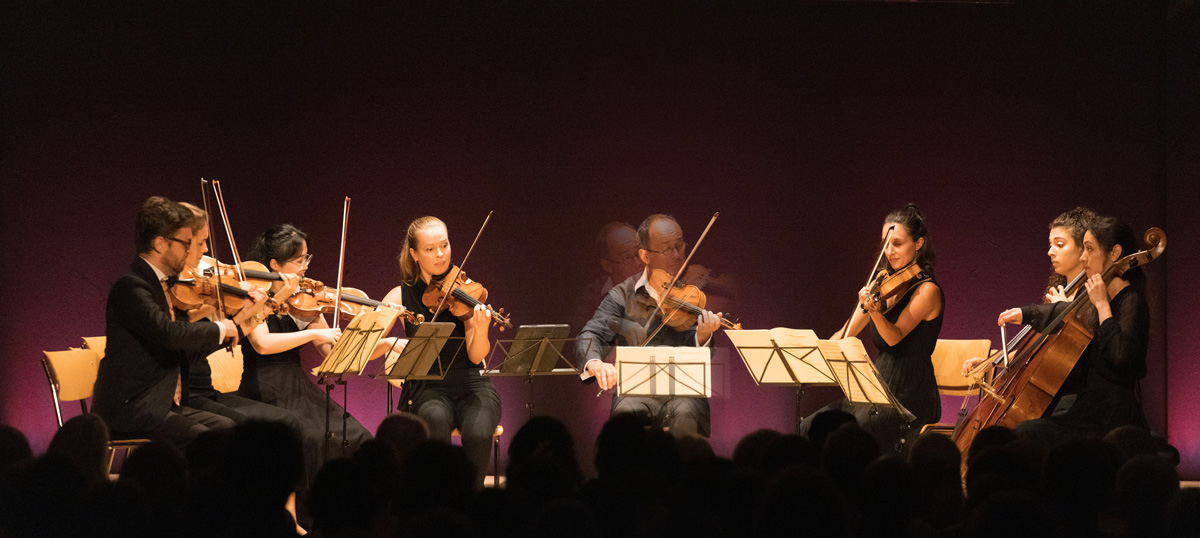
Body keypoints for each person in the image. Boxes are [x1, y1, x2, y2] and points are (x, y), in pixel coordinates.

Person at [92, 196, 268, 448]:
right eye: (186, 243)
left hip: (161, 403)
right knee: (203, 439)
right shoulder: (131, 287)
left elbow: (185, 352)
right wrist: (221, 327)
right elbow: (170, 333)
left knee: (228, 428)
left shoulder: (166, 286)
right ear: (160, 244)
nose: (192, 250)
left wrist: (237, 322)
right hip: (132, 406)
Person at [964, 216, 1150, 450]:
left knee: (1026, 433)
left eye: (1089, 249)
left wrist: (1103, 306)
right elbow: (1062, 327)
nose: (1083, 257)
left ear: (1114, 253)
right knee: (1022, 431)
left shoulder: (1130, 301)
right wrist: (1025, 314)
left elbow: (1121, 356)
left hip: (1112, 415)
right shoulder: (1095, 298)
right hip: (1086, 409)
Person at [239, 224, 391, 463]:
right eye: (299, 261)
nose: (305, 267)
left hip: (297, 387)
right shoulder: (255, 295)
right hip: (263, 387)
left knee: (357, 436)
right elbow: (262, 343)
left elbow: (332, 354)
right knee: (309, 440)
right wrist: (312, 335)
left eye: (306, 259)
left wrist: (377, 338)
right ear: (275, 264)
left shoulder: (305, 300)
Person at [799, 204, 944, 452]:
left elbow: (894, 338)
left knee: (858, 431)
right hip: (876, 387)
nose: (889, 251)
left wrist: (875, 312)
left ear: (918, 244)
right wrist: (814, 354)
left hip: (909, 392)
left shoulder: (927, 290)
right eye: (886, 244)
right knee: (811, 426)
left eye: (897, 243)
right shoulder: (881, 281)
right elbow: (847, 331)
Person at [574, 214, 723, 437]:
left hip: (684, 392)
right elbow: (591, 333)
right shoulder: (622, 294)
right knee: (626, 417)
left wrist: (702, 337)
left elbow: (705, 353)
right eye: (666, 249)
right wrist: (594, 362)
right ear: (645, 255)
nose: (677, 255)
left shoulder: (689, 294)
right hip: (635, 391)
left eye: (679, 246)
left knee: (685, 414)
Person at [381, 216, 502, 487]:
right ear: (414, 254)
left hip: (472, 383)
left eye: (445, 245)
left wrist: (481, 329)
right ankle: (440, 500)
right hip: (428, 387)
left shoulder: (464, 290)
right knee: (435, 426)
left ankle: (471, 501)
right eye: (430, 249)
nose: (440, 255)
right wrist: (388, 340)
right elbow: (367, 344)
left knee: (479, 433)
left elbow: (476, 356)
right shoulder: (400, 295)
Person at [173, 204, 305, 438]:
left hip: (204, 387)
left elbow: (228, 334)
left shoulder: (204, 279)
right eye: (200, 242)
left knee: (284, 424)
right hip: (185, 392)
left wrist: (251, 308)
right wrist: (215, 302)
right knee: (249, 431)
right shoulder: (173, 290)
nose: (206, 249)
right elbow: (190, 335)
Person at [570, 222, 645, 333]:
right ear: (607, 266)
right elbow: (581, 330)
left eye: (639, 252)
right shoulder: (592, 295)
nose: (638, 262)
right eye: (627, 258)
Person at [1043, 207, 1097, 303]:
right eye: (1050, 245)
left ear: (1083, 247)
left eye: (1059, 245)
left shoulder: (1096, 294)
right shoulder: (1060, 291)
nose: (1050, 252)